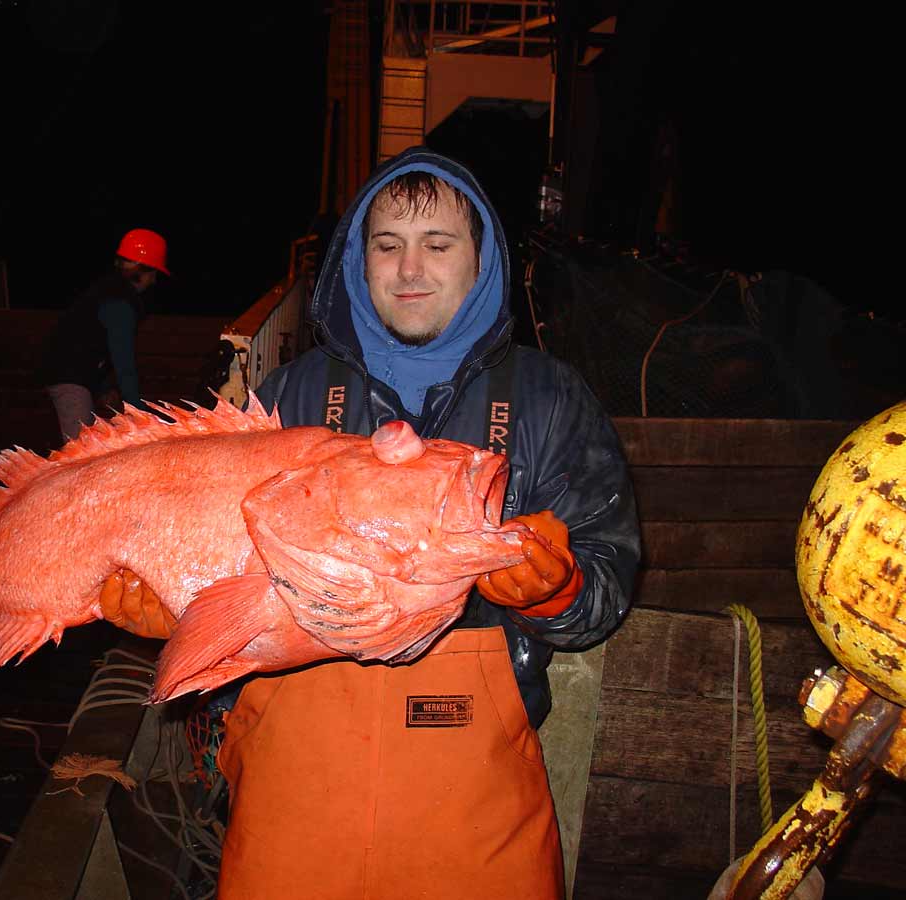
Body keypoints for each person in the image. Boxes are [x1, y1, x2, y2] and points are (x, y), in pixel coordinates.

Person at [214, 148, 640, 899]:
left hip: (474, 804)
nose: (410, 268)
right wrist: (173, 601)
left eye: (438, 245)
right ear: (357, 259)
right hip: (293, 786)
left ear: (482, 259)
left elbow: (608, 576)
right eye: (388, 245)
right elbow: (220, 565)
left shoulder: (549, 399)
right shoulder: (287, 396)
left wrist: (558, 594)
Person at [39, 228, 169, 441]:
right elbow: (123, 361)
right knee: (80, 451)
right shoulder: (120, 303)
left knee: (91, 444)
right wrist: (138, 412)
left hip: (75, 375)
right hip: (69, 379)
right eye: (153, 273)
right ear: (140, 268)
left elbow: (91, 344)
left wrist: (104, 388)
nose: (154, 281)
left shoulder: (108, 289)